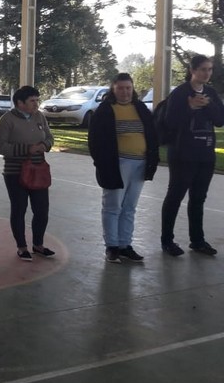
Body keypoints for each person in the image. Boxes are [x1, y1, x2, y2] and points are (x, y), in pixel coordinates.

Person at [88, 73, 159, 263]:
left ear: (133, 88)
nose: (125, 92)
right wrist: (102, 164)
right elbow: (95, 141)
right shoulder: (105, 111)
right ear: (113, 89)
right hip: (116, 165)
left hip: (140, 164)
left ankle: (125, 245)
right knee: (112, 206)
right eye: (120, 88)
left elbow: (152, 133)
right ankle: (112, 246)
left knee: (129, 207)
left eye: (128, 88)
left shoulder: (141, 108)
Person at [160, 55, 224, 256]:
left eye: (210, 69)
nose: (207, 73)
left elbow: (220, 120)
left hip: (205, 154)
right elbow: (170, 122)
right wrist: (190, 107)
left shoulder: (211, 93)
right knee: (175, 196)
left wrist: (207, 105)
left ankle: (197, 241)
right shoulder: (180, 93)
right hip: (182, 154)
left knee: (198, 198)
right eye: (203, 69)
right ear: (192, 70)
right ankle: (167, 241)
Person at [0, 86, 55, 260]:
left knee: (42, 209)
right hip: (15, 172)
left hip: (39, 170)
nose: (36, 104)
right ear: (20, 103)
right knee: (19, 209)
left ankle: (38, 244)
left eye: (37, 100)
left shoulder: (40, 116)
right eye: (32, 101)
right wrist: (27, 149)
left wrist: (44, 145)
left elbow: (50, 137)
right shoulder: (7, 119)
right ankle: (22, 247)